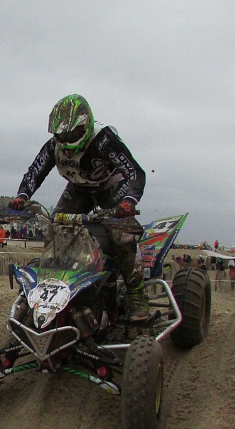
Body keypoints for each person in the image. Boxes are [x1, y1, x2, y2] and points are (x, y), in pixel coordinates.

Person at [8, 94, 149, 320]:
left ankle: (136, 294)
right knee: (58, 230)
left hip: (112, 187)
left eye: (72, 133)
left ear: (85, 125)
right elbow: (35, 171)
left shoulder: (104, 139)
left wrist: (129, 201)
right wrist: (21, 196)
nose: (66, 139)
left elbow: (134, 172)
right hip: (80, 189)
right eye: (62, 134)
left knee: (122, 235)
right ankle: (48, 292)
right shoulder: (54, 145)